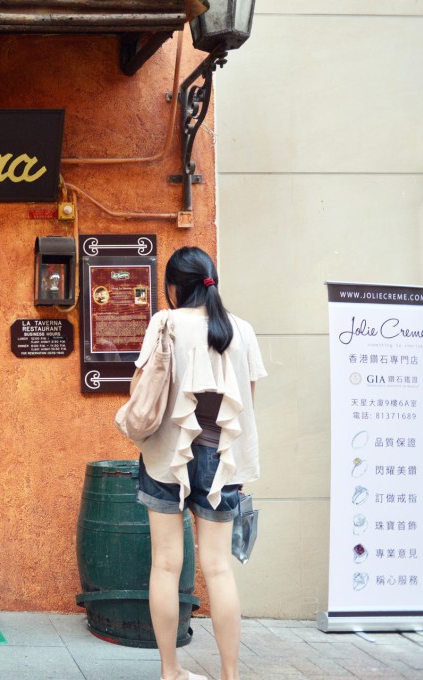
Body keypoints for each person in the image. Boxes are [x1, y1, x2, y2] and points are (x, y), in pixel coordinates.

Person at [131, 247, 266, 680]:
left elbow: (146, 385)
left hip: (166, 456)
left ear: (174, 286)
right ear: (211, 280)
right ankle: (230, 674)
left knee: (166, 566)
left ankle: (171, 671)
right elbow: (246, 402)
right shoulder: (240, 329)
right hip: (219, 459)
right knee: (219, 567)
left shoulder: (164, 323)